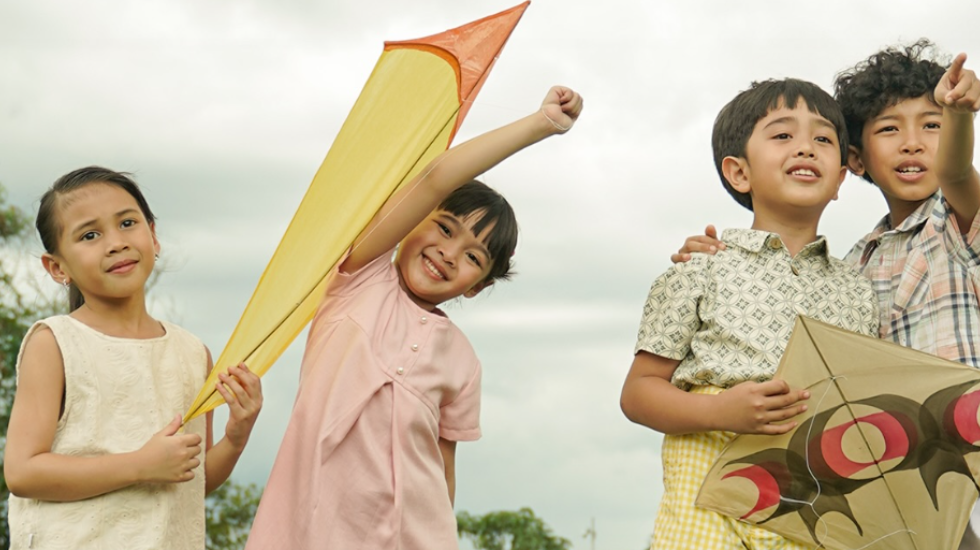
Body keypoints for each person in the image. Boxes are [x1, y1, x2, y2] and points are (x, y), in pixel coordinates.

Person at [244, 86, 583, 550]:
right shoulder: (358, 279)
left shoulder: (463, 361)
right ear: (414, 220)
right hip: (312, 528)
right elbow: (436, 178)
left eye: (473, 257)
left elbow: (444, 468)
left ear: (478, 286)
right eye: (444, 228)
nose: (448, 254)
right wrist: (540, 124)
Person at [671, 43, 980, 550]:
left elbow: (957, 174)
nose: (913, 143)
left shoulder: (959, 221)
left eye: (932, 125)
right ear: (854, 160)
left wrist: (960, 114)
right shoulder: (851, 267)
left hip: (968, 448)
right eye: (889, 129)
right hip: (902, 475)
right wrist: (719, 258)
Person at [620, 79, 879, 549]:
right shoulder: (699, 269)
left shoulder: (859, 291)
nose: (806, 147)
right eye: (782, 135)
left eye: (823, 139)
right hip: (706, 490)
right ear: (739, 172)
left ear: (841, 179)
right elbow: (637, 393)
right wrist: (719, 409)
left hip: (813, 499)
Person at [4, 167, 263, 550]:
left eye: (127, 223)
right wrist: (140, 464)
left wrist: (236, 437)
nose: (116, 243)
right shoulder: (54, 343)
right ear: (57, 267)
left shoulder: (192, 353)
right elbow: (23, 472)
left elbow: (194, 479)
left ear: (153, 236)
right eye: (90, 235)